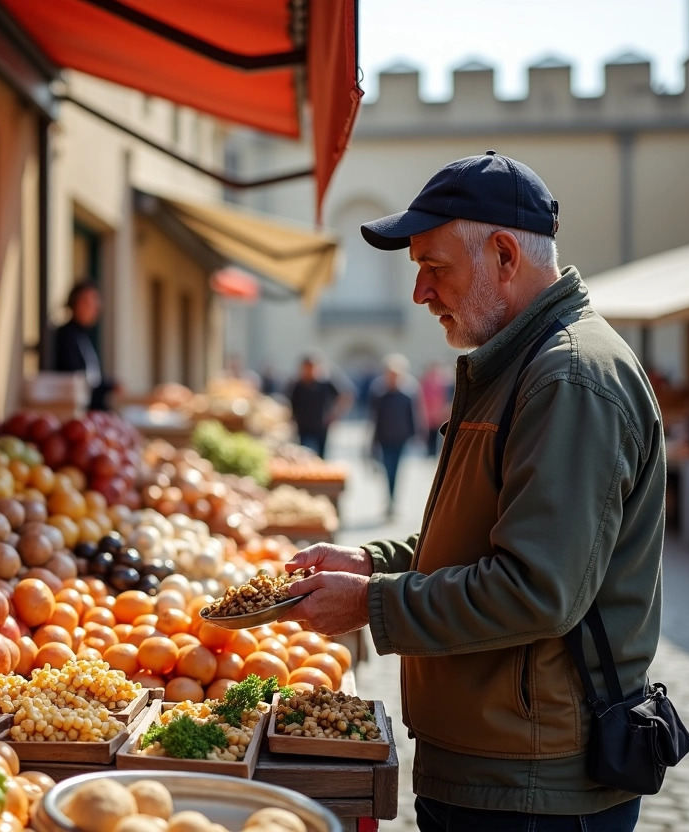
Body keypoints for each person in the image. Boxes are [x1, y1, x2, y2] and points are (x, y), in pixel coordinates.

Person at [280, 151, 665, 831]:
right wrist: (372, 562)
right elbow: (478, 535)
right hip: (499, 763)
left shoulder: (568, 378)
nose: (420, 293)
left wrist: (370, 602)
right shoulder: (519, 362)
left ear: (505, 256)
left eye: (435, 269)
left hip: (531, 785)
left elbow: (534, 588)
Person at [367, 354, 420, 517]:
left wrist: (415, 435)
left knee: (396, 470)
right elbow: (374, 418)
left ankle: (392, 500)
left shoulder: (407, 394)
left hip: (401, 438)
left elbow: (413, 416)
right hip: (384, 438)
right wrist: (372, 440)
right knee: (388, 469)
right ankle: (389, 499)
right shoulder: (379, 394)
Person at [52, 282, 118, 411]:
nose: (94, 308)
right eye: (88, 303)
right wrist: (108, 386)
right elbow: (75, 378)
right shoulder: (66, 335)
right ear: (75, 303)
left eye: (96, 303)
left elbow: (91, 378)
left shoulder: (84, 335)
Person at [287, 354, 352, 458]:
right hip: (303, 426)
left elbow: (345, 396)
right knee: (303, 455)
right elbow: (291, 403)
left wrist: (335, 414)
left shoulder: (325, 383)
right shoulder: (298, 385)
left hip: (320, 426)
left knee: (321, 456)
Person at [419, 361, 453, 456]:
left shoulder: (443, 382)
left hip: (439, 413)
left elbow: (446, 398)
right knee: (430, 434)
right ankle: (430, 452)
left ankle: (436, 452)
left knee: (438, 433)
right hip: (428, 413)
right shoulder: (425, 382)